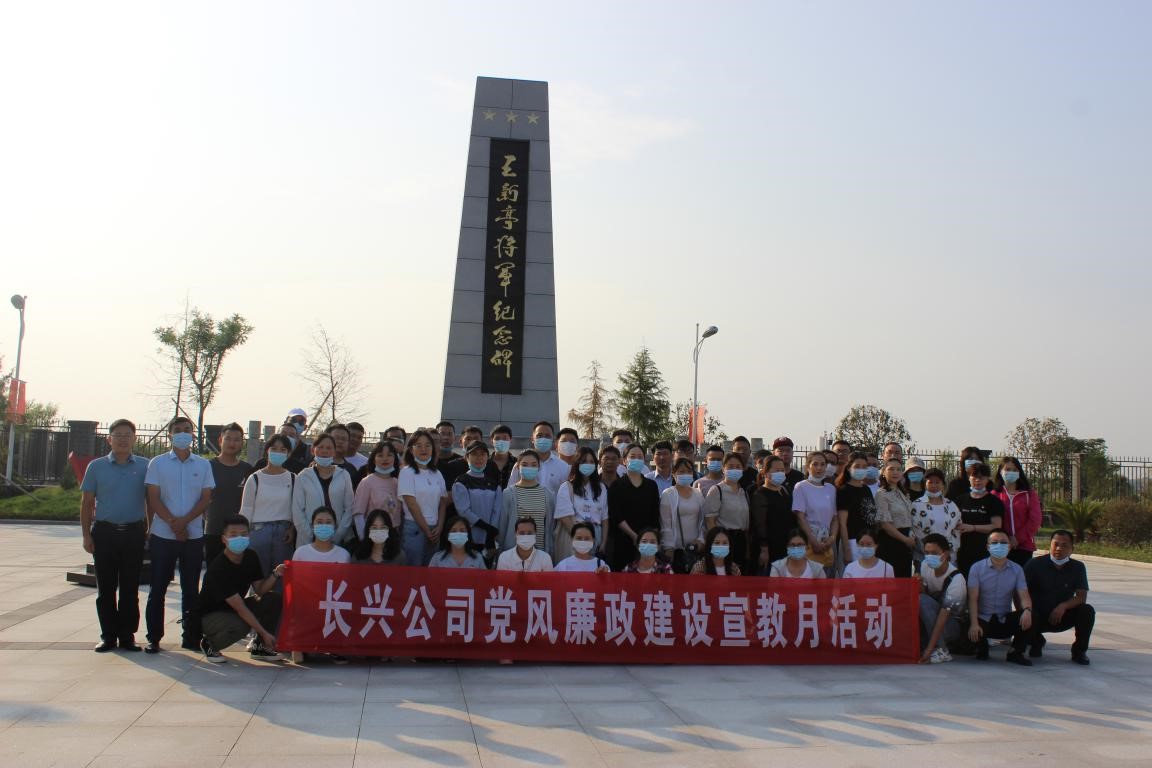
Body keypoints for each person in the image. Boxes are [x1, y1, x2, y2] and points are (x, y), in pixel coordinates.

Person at [144, 416, 215, 653]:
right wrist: (173, 524)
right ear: (170, 434)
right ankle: (154, 637)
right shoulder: (158, 463)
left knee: (190, 588)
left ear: (193, 434)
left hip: (193, 535)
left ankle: (190, 636)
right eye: (177, 430)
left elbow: (205, 498)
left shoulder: (203, 465)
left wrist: (184, 523)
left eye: (187, 429)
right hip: (163, 534)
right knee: (158, 587)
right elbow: (153, 498)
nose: (183, 433)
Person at [80, 418, 149, 653]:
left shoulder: (145, 466)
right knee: (106, 589)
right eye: (117, 435)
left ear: (134, 438)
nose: (122, 439)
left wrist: (149, 529)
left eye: (127, 435)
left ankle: (127, 636)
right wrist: (86, 536)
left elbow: (151, 500)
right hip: (105, 533)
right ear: (109, 439)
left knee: (130, 588)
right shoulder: (96, 467)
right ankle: (108, 636)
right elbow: (87, 503)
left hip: (133, 533)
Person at [198, 514, 284, 662]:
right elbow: (240, 608)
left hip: (233, 609)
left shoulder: (251, 556)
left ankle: (260, 648)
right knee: (242, 625)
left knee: (273, 599)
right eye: (233, 535)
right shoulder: (219, 568)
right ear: (224, 539)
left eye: (243, 534)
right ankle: (210, 643)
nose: (239, 538)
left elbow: (260, 590)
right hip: (210, 615)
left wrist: (275, 574)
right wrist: (264, 632)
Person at [1024, 530, 1094, 665]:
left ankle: (1079, 651)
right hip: (1037, 616)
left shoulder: (1078, 567)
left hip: (1062, 616)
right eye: (1055, 544)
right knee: (1026, 614)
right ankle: (1036, 641)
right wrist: (1026, 610)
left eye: (1064, 545)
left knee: (1087, 611)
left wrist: (1063, 606)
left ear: (1072, 549)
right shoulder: (1034, 564)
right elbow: (1021, 591)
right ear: (1050, 545)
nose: (1059, 548)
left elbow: (1081, 597)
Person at [967, 529, 1034, 665]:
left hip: (1004, 619)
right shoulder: (976, 568)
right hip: (982, 620)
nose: (999, 545)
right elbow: (972, 598)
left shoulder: (1017, 569)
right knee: (965, 621)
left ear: (1009, 546)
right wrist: (974, 624)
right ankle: (981, 648)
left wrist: (1027, 610)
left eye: (1003, 542)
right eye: (994, 542)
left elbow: (1024, 595)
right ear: (988, 547)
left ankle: (1015, 652)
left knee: (1033, 615)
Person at [240, 435, 297, 578]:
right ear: (267, 451)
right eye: (274, 449)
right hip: (258, 533)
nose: (278, 452)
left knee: (282, 577)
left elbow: (297, 507)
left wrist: (292, 528)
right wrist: (243, 534)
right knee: (258, 576)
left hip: (284, 534)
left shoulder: (293, 478)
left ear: (289, 453)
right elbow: (246, 509)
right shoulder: (255, 478)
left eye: (283, 449)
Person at [292, 433, 356, 548]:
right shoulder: (303, 476)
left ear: (334, 451)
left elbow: (349, 508)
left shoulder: (344, 475)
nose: (325, 451)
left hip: (339, 539)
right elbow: (297, 510)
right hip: (308, 540)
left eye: (329, 448)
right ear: (313, 450)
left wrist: (337, 536)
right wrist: (311, 536)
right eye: (321, 447)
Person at [204, 422, 253, 567]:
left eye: (237, 440)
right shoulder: (208, 466)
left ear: (242, 443)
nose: (232, 443)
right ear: (220, 440)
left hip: (239, 534)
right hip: (214, 530)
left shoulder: (247, 469)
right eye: (228, 439)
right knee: (214, 572)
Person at [398, 430, 449, 566]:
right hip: (414, 528)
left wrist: (439, 526)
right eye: (418, 445)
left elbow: (442, 502)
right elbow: (411, 504)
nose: (423, 449)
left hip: (435, 530)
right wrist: (426, 529)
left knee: (430, 571)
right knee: (413, 572)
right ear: (411, 450)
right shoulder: (406, 472)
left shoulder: (437, 473)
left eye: (427, 445)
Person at [606, 445, 661, 571]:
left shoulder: (651, 485)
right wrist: (634, 536)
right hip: (623, 541)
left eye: (640, 457)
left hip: (647, 544)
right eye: (632, 456)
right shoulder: (617, 485)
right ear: (624, 460)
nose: (636, 459)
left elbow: (655, 515)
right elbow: (616, 515)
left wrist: (649, 539)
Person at [918, 533, 968, 664]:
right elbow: (926, 595)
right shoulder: (925, 565)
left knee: (921, 600)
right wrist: (918, 586)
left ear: (945, 554)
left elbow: (943, 616)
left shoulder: (956, 580)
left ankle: (941, 649)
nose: (929, 556)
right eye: (927, 553)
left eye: (934, 553)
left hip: (952, 624)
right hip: (932, 617)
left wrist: (930, 649)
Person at [451, 440, 503, 562]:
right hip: (469, 538)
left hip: (489, 540)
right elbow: (464, 511)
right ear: (467, 457)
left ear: (487, 457)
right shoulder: (461, 482)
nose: (479, 458)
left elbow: (497, 511)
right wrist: (486, 527)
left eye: (482, 454)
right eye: (474, 454)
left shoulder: (495, 484)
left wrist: (491, 533)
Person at [499, 449, 557, 556]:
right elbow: (503, 526)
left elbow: (550, 526)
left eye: (534, 465)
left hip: (540, 554)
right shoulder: (508, 493)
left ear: (539, 467)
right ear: (518, 467)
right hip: (513, 554)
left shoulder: (548, 494)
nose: (529, 468)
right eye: (525, 464)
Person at [554, 446, 608, 560]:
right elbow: (564, 517)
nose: (588, 464)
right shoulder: (567, 487)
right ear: (577, 463)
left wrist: (603, 542)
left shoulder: (601, 487)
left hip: (595, 537)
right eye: (584, 461)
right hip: (572, 537)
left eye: (591, 462)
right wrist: (580, 538)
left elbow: (604, 517)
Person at [952, 461, 1004, 576]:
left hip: (984, 552)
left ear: (987, 479)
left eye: (981, 477)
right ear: (969, 478)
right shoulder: (960, 500)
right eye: (974, 476)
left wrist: (973, 527)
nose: (977, 480)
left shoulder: (994, 502)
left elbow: (996, 526)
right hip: (962, 551)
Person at [702, 452, 751, 575]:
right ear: (723, 469)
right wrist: (719, 544)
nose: (734, 470)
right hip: (723, 541)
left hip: (740, 541)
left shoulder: (743, 492)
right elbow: (710, 521)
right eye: (730, 466)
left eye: (738, 467)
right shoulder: (716, 490)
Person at [792, 451, 837, 576]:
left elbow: (835, 518)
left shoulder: (831, 489)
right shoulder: (801, 487)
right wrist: (813, 541)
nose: (819, 468)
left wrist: (832, 538)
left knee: (827, 581)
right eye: (815, 464)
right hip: (809, 542)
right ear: (808, 467)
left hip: (827, 542)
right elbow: (800, 517)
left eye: (822, 464)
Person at [994, 457, 1043, 567]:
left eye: (1014, 470)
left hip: (1024, 547)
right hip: (1000, 547)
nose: (1011, 472)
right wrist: (1005, 540)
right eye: (1007, 469)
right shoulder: (994, 495)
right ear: (1000, 471)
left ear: (1019, 472)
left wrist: (1017, 539)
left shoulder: (1029, 494)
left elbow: (1035, 520)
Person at [660, 457, 705, 573]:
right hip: (676, 551)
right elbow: (666, 525)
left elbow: (702, 521)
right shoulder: (668, 494)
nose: (686, 474)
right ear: (673, 473)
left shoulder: (698, 493)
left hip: (695, 550)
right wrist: (669, 548)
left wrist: (701, 540)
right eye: (681, 471)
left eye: (689, 471)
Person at [750, 455, 795, 572]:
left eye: (782, 470)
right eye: (777, 470)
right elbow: (760, 525)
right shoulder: (760, 494)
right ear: (765, 473)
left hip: (785, 544)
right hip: (770, 547)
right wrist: (764, 549)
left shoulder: (784, 490)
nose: (780, 473)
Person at [911, 468, 962, 563]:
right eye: (930, 482)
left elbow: (957, 529)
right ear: (924, 484)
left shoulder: (951, 505)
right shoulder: (916, 505)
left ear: (943, 484)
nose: (934, 485)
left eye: (937, 482)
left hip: (947, 556)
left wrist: (946, 550)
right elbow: (915, 531)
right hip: (925, 557)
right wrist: (931, 550)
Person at [837, 451, 879, 566]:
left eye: (864, 467)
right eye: (857, 466)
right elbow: (842, 523)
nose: (861, 469)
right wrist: (847, 549)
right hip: (853, 543)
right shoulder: (844, 490)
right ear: (849, 468)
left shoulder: (866, 489)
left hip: (869, 543)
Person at [875, 459, 915, 577]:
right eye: (891, 469)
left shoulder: (903, 493)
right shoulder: (881, 494)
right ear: (883, 472)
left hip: (905, 544)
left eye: (898, 469)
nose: (895, 472)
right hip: (890, 542)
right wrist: (905, 540)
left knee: (904, 579)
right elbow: (885, 524)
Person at [505, 420, 569, 494]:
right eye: (539, 436)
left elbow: (567, 495)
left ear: (553, 440)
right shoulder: (521, 465)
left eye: (547, 436)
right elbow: (510, 491)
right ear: (532, 439)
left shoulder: (563, 467)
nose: (543, 439)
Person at [352, 440, 401, 536]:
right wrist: (364, 538)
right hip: (374, 533)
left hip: (394, 534)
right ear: (373, 459)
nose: (385, 459)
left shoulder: (397, 483)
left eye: (389, 455)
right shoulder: (367, 482)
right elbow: (358, 514)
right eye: (380, 455)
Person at [324, 423, 363, 491]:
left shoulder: (351, 470)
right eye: (337, 438)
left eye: (344, 439)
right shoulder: (314, 464)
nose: (340, 441)